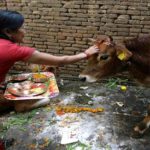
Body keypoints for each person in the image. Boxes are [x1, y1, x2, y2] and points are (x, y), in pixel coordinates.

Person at [0, 10, 99, 112]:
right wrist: (86, 54)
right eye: (21, 28)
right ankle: (22, 105)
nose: (24, 31)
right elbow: (60, 61)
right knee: (39, 95)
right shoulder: (12, 50)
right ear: (8, 31)